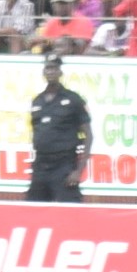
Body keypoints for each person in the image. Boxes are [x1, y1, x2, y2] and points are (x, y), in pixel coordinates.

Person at [26, 43, 93, 200]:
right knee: (33, 209)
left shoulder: (73, 99)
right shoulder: (37, 101)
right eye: (48, 68)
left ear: (60, 72)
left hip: (64, 165)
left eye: (54, 68)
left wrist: (78, 171)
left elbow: (88, 136)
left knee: (69, 209)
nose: (51, 72)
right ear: (43, 72)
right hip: (41, 164)